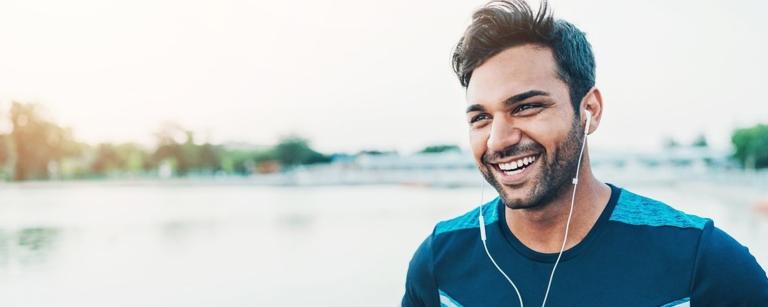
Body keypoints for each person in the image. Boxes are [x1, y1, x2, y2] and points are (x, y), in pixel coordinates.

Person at [401, 1, 768, 306]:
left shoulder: (700, 261)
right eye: (481, 117)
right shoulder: (439, 263)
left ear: (589, 109)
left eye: (526, 107)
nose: (498, 140)